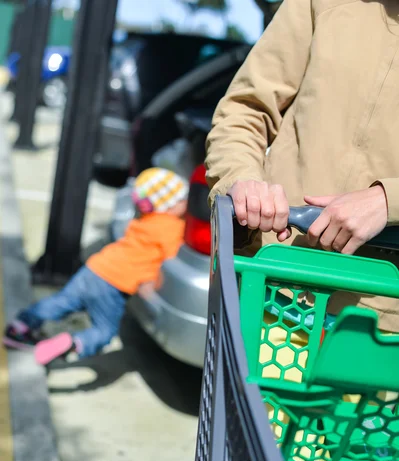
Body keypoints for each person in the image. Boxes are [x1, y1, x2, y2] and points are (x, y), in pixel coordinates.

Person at [206, 0, 399, 333]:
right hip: (273, 294)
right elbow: (244, 112)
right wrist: (242, 179)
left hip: (383, 330)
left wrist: (388, 200)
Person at [3, 168, 188, 365]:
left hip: (95, 268)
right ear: (169, 206)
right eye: (183, 200)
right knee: (104, 331)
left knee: (62, 301)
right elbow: (170, 259)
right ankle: (72, 343)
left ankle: (19, 327)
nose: (187, 203)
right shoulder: (173, 228)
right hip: (114, 286)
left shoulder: (142, 219)